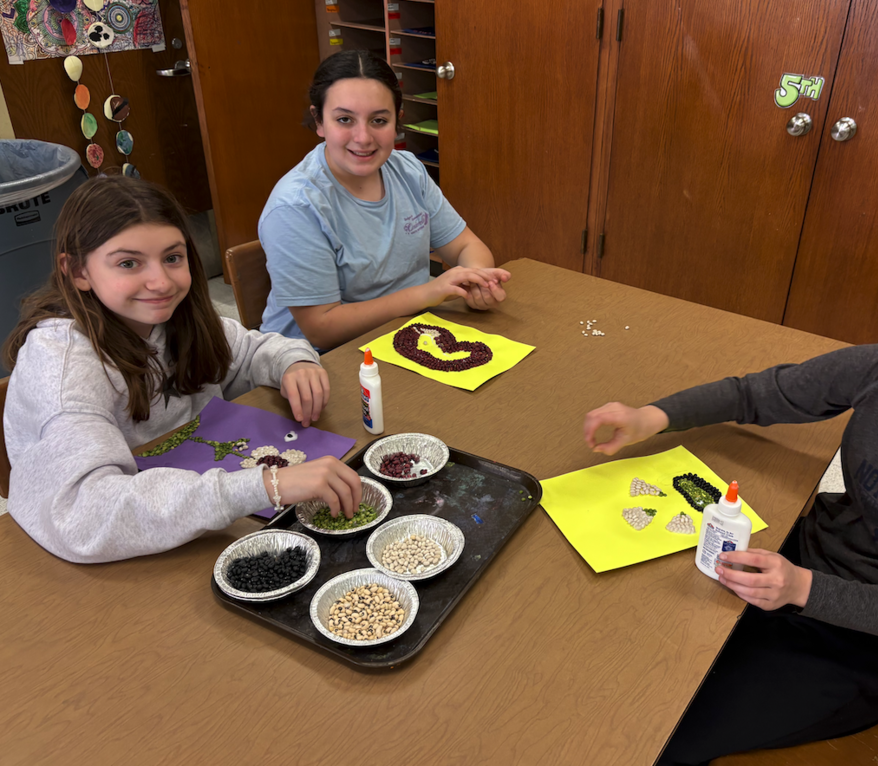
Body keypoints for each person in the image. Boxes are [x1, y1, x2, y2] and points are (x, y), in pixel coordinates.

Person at [582, 200, 878, 764]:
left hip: (866, 645)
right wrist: (653, 415)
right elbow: (762, 393)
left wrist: (802, 591)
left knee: (655, 736)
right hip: (794, 562)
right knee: (620, 662)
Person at [2, 175, 362, 564]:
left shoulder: (175, 317)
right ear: (78, 272)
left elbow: (250, 350)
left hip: (190, 509)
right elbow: (83, 514)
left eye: (173, 258)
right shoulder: (62, 365)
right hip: (114, 551)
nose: (160, 282)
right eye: (128, 263)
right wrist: (265, 485)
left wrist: (292, 362)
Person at [259, 50, 510, 350]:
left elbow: (467, 247)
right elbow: (321, 328)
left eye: (379, 120)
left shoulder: (408, 170)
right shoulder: (296, 206)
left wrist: (475, 283)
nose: (363, 137)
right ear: (319, 121)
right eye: (344, 119)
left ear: (397, 121)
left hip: (405, 335)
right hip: (317, 363)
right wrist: (426, 294)